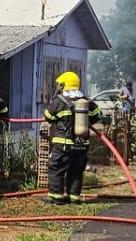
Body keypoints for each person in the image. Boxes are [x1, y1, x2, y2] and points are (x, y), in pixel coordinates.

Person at [42, 71, 105, 204]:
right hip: (82, 144)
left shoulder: (60, 101)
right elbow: (97, 115)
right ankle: (74, 197)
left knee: (56, 168)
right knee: (76, 170)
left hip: (63, 143)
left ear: (64, 85)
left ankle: (56, 197)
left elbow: (49, 116)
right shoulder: (86, 101)